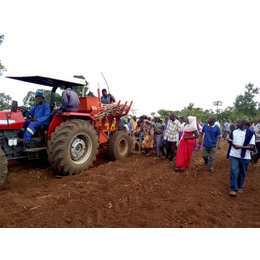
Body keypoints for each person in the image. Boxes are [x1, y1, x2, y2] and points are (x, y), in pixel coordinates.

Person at [227, 118, 255, 196]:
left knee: (242, 172)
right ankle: (233, 189)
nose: (236, 123)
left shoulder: (251, 133)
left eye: (238, 122)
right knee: (233, 171)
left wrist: (241, 147)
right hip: (234, 154)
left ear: (244, 124)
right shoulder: (234, 131)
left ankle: (240, 186)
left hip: (245, 156)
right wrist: (229, 140)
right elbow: (231, 140)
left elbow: (252, 147)